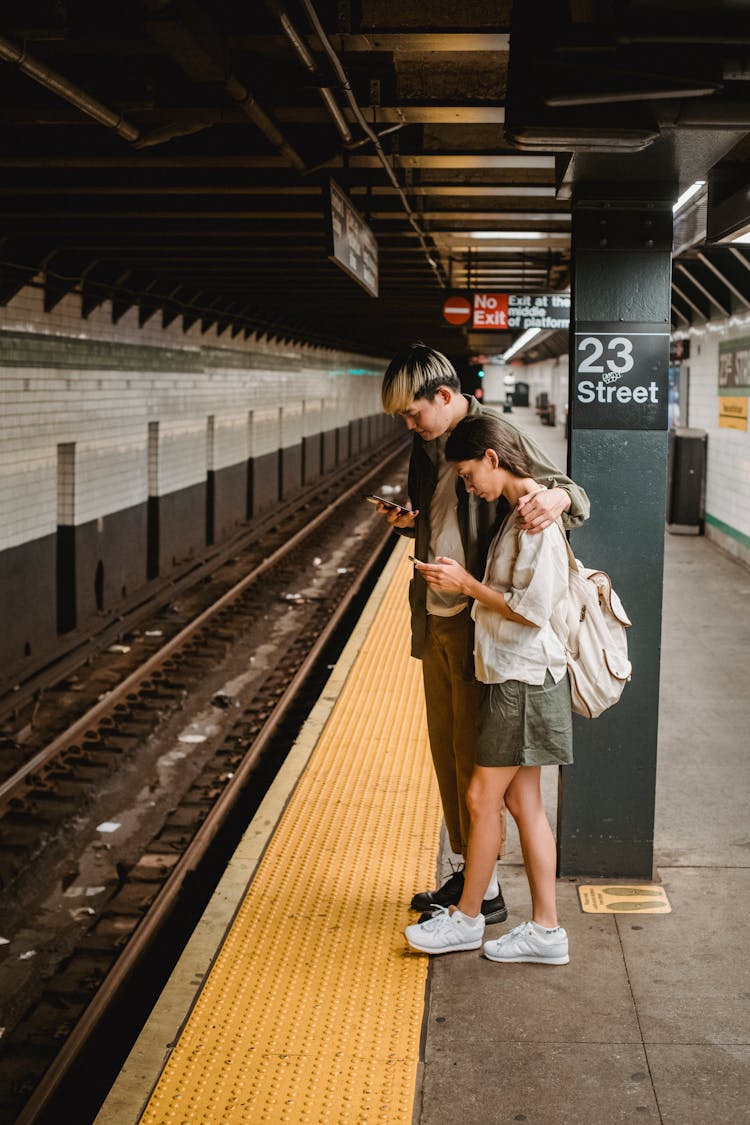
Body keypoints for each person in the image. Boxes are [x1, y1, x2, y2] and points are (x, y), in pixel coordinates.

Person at [378, 343, 588, 923]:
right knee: (447, 753)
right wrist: (410, 525)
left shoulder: (489, 435)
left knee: (477, 764)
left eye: (414, 413)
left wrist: (558, 495)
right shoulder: (426, 448)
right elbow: (441, 518)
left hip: (481, 627)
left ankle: (484, 890)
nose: (409, 424)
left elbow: (570, 494)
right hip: (437, 619)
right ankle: (471, 873)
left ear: (444, 397)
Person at [404, 413, 573, 963]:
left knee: (482, 797)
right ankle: (545, 931)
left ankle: (469, 918)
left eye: (469, 473)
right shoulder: (516, 513)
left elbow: (531, 610)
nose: (467, 485)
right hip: (514, 674)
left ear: (494, 459)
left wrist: (467, 585)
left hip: (521, 679)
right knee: (525, 804)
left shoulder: (534, 521)